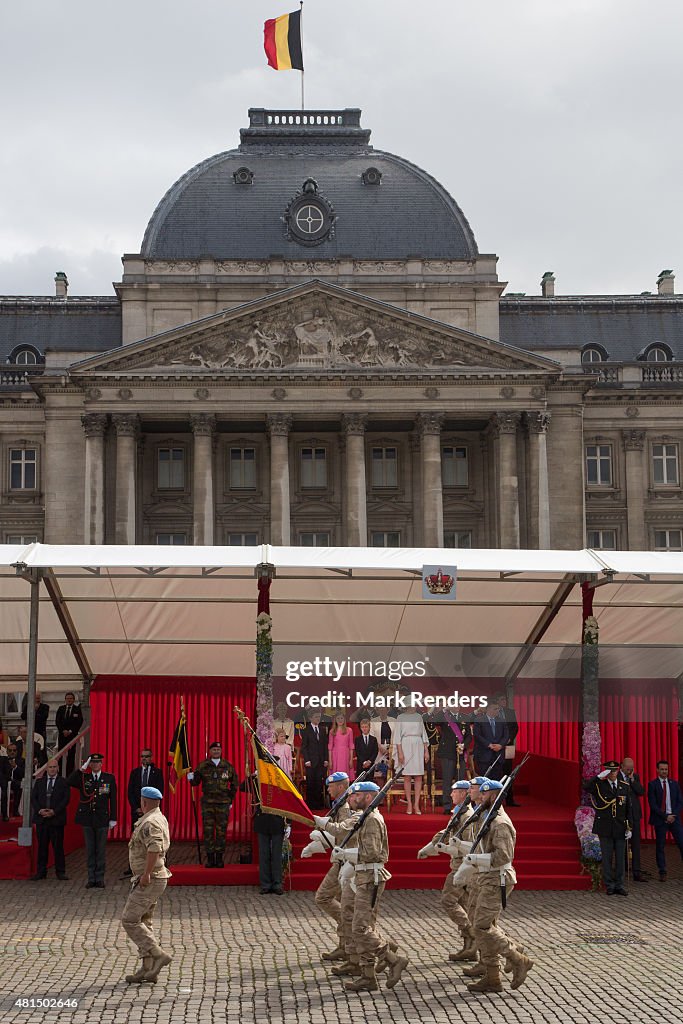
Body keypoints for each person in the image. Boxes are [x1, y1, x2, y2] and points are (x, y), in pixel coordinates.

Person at [316, 781, 409, 993]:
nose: (351, 799)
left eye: (356, 796)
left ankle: (393, 959)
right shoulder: (365, 816)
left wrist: (345, 855)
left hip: (370, 877)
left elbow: (373, 853)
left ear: (368, 797)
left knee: (360, 927)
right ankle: (367, 975)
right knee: (359, 926)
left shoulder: (373, 820)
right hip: (362, 875)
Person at [455, 779, 532, 992]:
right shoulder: (486, 817)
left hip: (497, 878)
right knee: (482, 927)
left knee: (482, 926)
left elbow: (503, 856)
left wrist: (474, 861)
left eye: (483, 794)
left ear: (493, 796)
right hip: (486, 877)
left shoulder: (500, 823)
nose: (479, 797)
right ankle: (492, 976)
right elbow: (480, 847)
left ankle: (517, 956)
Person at [418, 780, 478, 961]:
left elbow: (467, 846)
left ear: (464, 794)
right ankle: (470, 948)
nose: (451, 795)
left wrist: (443, 849)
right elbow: (445, 833)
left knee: (448, 900)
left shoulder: (467, 816)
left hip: (462, 866)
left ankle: (472, 933)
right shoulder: (459, 813)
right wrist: (428, 848)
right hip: (458, 864)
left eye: (454, 792)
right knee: (465, 904)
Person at [121, 786, 173, 985]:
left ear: (144, 802)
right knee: (145, 920)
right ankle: (148, 968)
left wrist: (146, 874)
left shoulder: (150, 822)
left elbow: (154, 848)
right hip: (154, 876)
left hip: (151, 878)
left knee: (130, 919)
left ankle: (158, 955)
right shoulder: (157, 817)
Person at [303, 771, 354, 959]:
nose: (328, 789)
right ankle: (345, 944)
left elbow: (342, 833)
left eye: (331, 786)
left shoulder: (345, 808)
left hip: (345, 860)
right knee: (343, 902)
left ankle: (353, 930)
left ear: (341, 787)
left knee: (324, 897)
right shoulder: (339, 804)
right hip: (342, 858)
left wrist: (322, 829)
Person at [67, 752, 117, 888]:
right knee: (90, 850)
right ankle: (91, 878)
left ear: (101, 764)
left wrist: (113, 818)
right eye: (93, 763)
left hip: (102, 818)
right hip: (87, 818)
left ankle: (99, 878)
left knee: (100, 850)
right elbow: (69, 781)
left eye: (97, 762)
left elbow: (113, 799)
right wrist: (81, 769)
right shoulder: (84, 777)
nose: (95, 765)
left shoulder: (109, 778)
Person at [583, 759, 632, 895]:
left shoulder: (624, 786)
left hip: (620, 826)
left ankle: (619, 885)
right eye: (609, 771)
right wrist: (598, 777)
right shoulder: (600, 785)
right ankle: (609, 884)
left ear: (618, 771)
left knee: (621, 859)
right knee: (607, 857)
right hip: (605, 826)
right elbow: (586, 787)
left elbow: (629, 808)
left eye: (614, 770)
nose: (612, 773)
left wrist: (630, 827)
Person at [188, 741, 238, 868]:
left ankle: (219, 858)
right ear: (210, 752)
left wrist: (230, 798)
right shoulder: (203, 766)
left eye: (218, 749)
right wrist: (190, 778)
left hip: (223, 804)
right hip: (208, 804)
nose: (216, 751)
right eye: (214, 749)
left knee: (221, 831)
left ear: (221, 751)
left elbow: (235, 783)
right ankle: (210, 859)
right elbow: (195, 783)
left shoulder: (227, 766)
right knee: (208, 831)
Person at [30, 759, 70, 881]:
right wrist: (40, 810)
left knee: (58, 847)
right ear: (46, 768)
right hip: (41, 819)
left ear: (58, 768)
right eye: (50, 767)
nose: (52, 769)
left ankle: (60, 872)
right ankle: (41, 872)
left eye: (54, 767)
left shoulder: (63, 782)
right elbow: (33, 798)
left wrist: (54, 811)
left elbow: (66, 799)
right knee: (42, 847)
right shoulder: (39, 782)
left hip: (56, 819)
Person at [647, 760, 683, 882]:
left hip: (674, 819)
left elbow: (680, 802)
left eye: (666, 769)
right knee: (660, 846)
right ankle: (662, 871)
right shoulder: (652, 785)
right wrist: (665, 816)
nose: (664, 771)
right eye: (662, 769)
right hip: (660, 819)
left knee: (681, 843)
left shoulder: (674, 784)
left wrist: (673, 815)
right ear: (657, 770)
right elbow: (653, 805)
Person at [393, 708, 428, 814]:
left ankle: (416, 804)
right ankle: (409, 803)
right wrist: (400, 752)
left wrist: (426, 751)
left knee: (418, 776)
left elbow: (424, 735)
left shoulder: (418, 717)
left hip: (418, 746)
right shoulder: (400, 717)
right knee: (407, 776)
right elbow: (397, 737)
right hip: (405, 746)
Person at [437, 713, 472, 813]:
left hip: (460, 753)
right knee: (447, 780)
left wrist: (464, 745)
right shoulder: (444, 717)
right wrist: (443, 710)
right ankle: (447, 806)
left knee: (460, 780)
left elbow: (469, 736)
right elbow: (434, 721)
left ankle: (460, 806)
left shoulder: (464, 717)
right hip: (448, 753)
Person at [620, 756, 646, 882]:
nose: (629, 770)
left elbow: (641, 791)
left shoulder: (635, 777)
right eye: (627, 768)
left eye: (631, 768)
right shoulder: (617, 777)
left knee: (635, 843)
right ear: (622, 766)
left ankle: (637, 872)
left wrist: (632, 780)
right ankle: (623, 869)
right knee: (622, 843)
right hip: (622, 815)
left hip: (634, 815)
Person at [472, 699, 509, 781]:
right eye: (495, 709)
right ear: (488, 709)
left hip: (498, 756)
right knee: (484, 781)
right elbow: (477, 735)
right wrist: (489, 745)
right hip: (484, 756)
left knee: (496, 782)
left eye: (498, 709)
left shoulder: (502, 721)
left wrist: (501, 745)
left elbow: (506, 735)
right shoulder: (479, 720)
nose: (498, 711)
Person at [494, 692, 520, 805]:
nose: (504, 701)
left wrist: (509, 739)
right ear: (497, 701)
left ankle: (509, 800)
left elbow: (515, 727)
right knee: (496, 772)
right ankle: (494, 800)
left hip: (508, 746)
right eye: (502, 699)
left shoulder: (510, 712)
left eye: (505, 699)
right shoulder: (493, 712)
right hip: (496, 746)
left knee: (508, 772)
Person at [300, 711, 329, 809]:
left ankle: (319, 804)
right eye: (316, 717)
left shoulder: (322, 730)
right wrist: (307, 760)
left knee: (319, 782)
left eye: (319, 717)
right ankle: (310, 805)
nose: (318, 719)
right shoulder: (306, 730)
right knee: (311, 782)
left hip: (321, 761)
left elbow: (325, 746)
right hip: (311, 762)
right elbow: (304, 747)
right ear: (311, 718)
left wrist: (326, 759)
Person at [55, 692, 84, 775]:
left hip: (72, 736)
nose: (69, 700)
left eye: (71, 698)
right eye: (67, 698)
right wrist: (63, 731)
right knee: (61, 754)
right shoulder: (61, 709)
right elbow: (57, 721)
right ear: (65, 700)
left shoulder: (77, 709)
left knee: (71, 755)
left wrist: (70, 731)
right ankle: (60, 773)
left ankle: (69, 773)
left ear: (73, 700)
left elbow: (79, 722)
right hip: (62, 736)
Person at [0, 743, 24, 820]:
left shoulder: (21, 760)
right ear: (7, 752)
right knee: (4, 787)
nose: (12, 752)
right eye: (10, 750)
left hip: (16, 781)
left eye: (14, 750)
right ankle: (4, 814)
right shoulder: (2, 759)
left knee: (19, 785)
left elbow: (23, 774)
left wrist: (15, 767)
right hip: (5, 781)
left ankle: (15, 810)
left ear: (17, 752)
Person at [328, 712, 354, 778]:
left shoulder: (349, 730)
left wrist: (351, 760)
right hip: (335, 756)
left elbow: (351, 746)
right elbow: (330, 748)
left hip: (346, 755)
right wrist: (330, 761)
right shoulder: (332, 731)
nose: (340, 720)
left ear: (344, 719)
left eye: (342, 718)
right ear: (335, 720)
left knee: (345, 777)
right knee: (336, 777)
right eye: (338, 718)